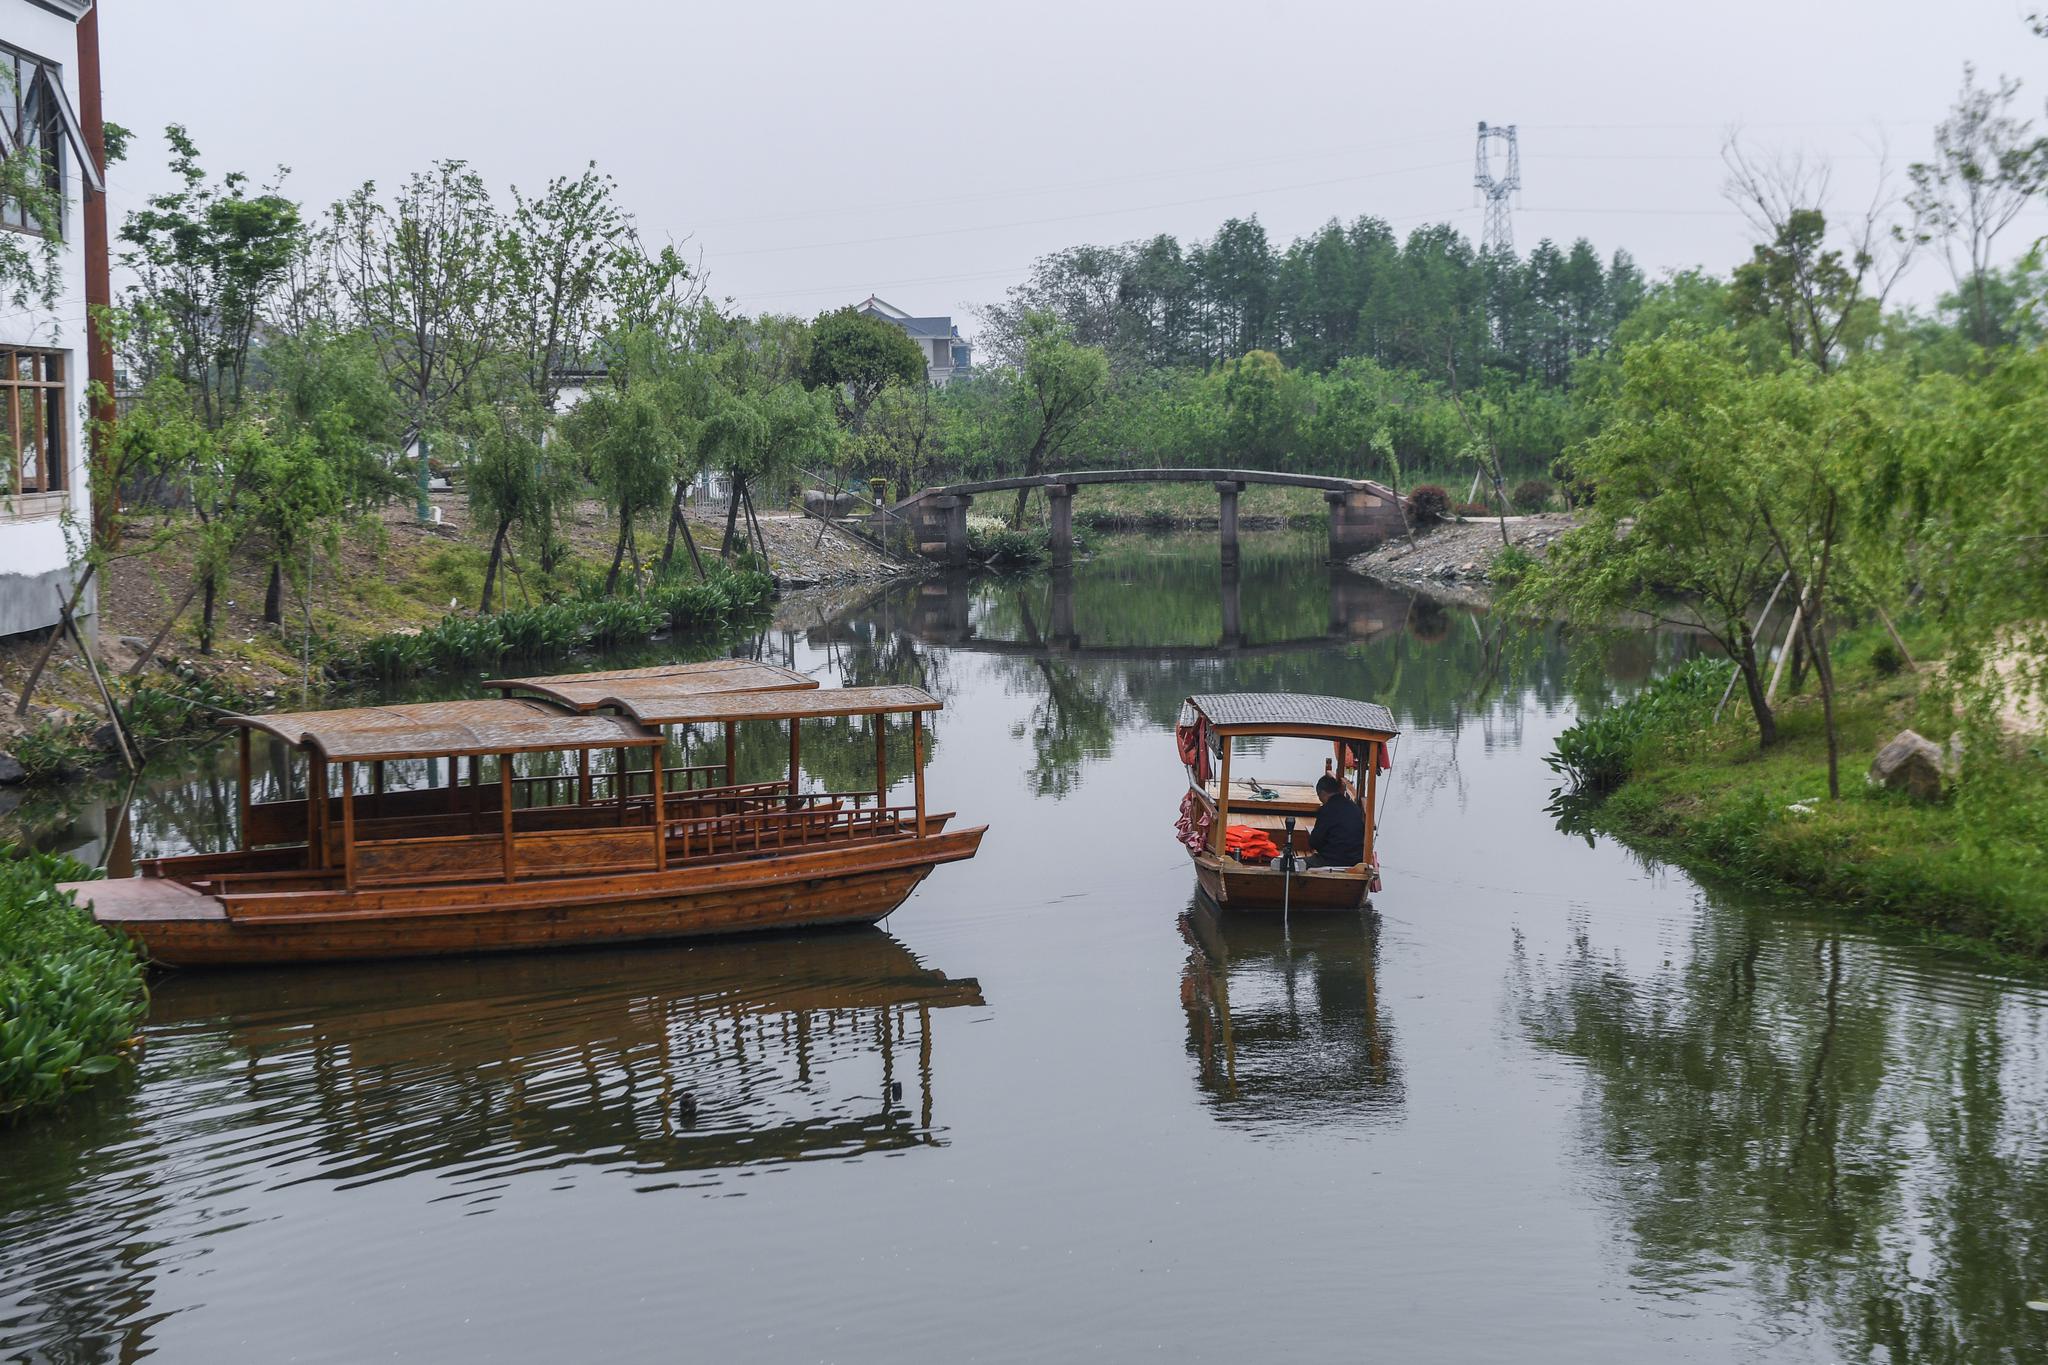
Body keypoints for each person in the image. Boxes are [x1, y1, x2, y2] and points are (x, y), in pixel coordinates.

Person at [1306, 773, 1364, 868]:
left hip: (1332, 861)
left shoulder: (1327, 809)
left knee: (1294, 864)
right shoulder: (1354, 807)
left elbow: (1314, 842)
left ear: (1323, 793)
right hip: (1356, 861)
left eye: (1319, 796)